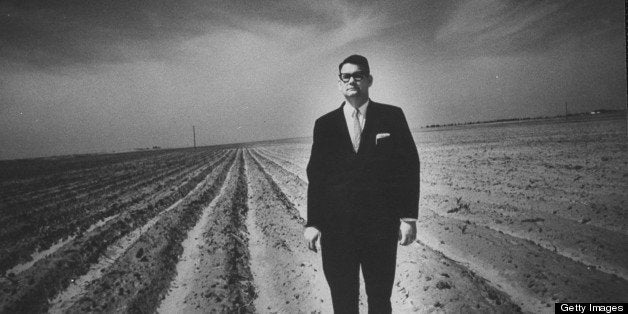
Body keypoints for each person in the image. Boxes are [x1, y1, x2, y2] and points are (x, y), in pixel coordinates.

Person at [304, 54, 420, 313]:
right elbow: (317, 177)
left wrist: (409, 217)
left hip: (380, 229)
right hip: (337, 231)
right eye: (346, 76)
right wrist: (313, 222)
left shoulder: (392, 116)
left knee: (380, 300)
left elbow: (408, 167)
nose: (351, 81)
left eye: (358, 75)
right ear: (339, 82)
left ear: (369, 80)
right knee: (343, 302)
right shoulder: (324, 125)